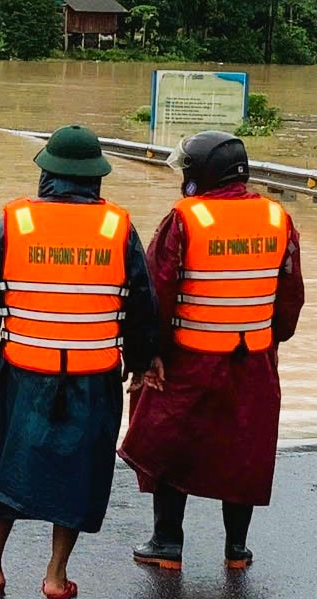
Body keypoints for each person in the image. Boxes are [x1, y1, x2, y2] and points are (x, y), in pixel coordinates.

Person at [0, 125, 160, 599]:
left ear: (47, 173)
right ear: (96, 178)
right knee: (79, 470)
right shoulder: (118, 227)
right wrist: (142, 359)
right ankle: (55, 576)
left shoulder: (17, 221)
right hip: (95, 376)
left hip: (24, 369)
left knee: (6, 462)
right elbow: (142, 303)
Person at [120, 131, 303, 572]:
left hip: (187, 360)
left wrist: (147, 355)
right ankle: (236, 550)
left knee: (168, 445)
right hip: (253, 361)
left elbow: (155, 292)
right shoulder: (278, 219)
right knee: (244, 450)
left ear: (198, 174)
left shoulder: (184, 219)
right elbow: (291, 297)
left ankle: (167, 544)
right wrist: (267, 338)